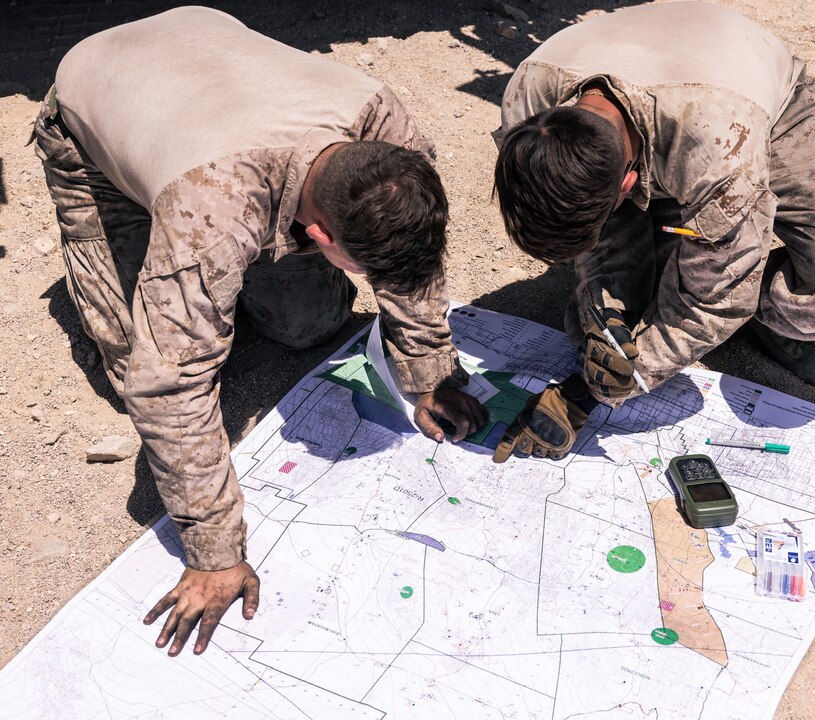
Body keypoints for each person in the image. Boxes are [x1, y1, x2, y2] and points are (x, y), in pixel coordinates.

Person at [32, 7, 486, 656]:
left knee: (310, 325)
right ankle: (171, 253)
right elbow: (169, 388)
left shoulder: (390, 140)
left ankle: (211, 282)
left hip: (208, 62)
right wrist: (215, 553)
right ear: (323, 236)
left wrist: (429, 375)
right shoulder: (208, 209)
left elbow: (409, 263)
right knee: (136, 364)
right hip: (100, 109)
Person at [491, 1, 815, 463]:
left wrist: (593, 392)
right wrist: (607, 320)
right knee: (628, 314)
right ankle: (669, 248)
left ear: (629, 185)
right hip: (660, 96)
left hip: (754, 103)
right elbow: (590, 230)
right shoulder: (529, 106)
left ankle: (762, 314)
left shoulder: (720, 147)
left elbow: (718, 296)